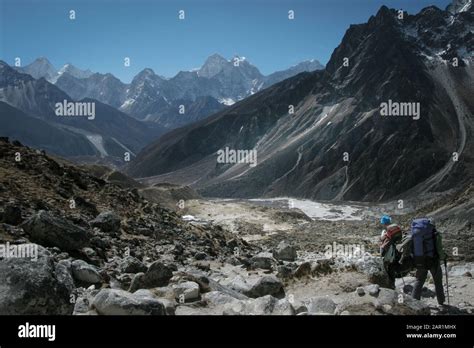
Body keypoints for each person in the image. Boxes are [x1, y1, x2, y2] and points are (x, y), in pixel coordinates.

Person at [408, 218, 446, 306]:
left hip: (419, 259)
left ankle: (414, 303)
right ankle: (441, 302)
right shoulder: (435, 234)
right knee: (438, 281)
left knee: (419, 280)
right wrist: (443, 257)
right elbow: (439, 250)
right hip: (432, 260)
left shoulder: (416, 233)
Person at [379, 215, 403, 289]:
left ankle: (388, 286)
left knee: (386, 268)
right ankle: (393, 285)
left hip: (387, 252)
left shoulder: (385, 231)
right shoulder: (394, 230)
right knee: (391, 268)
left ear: (384, 223)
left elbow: (382, 239)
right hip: (394, 253)